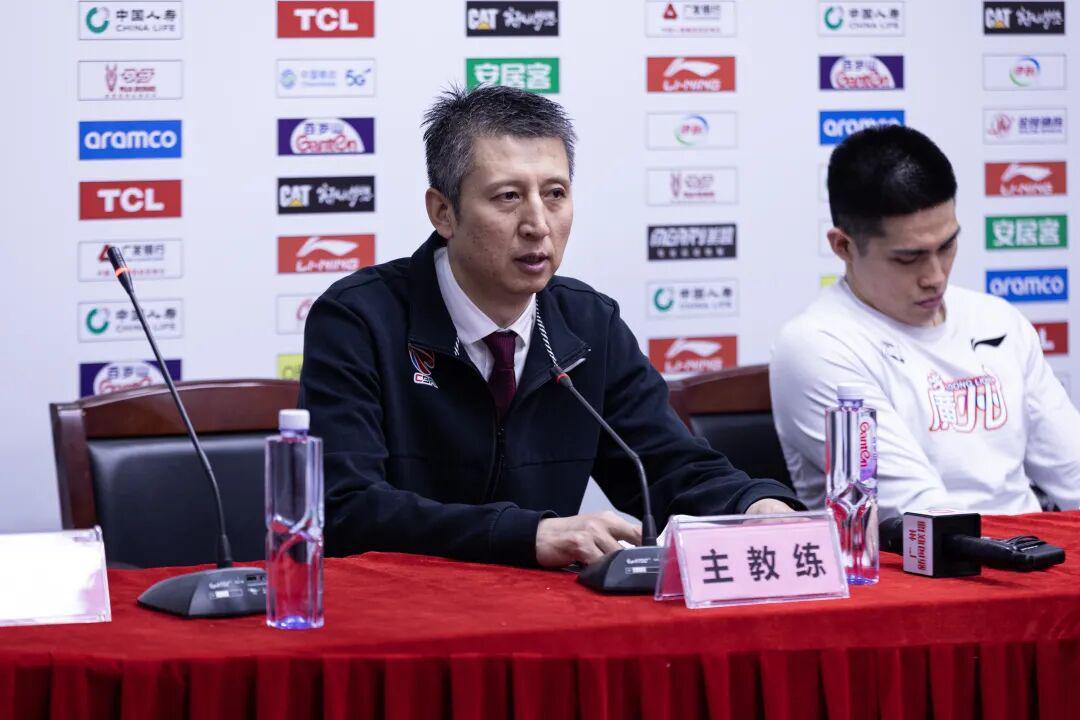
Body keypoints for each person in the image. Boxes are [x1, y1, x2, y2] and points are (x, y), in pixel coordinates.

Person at [299, 85, 801, 569]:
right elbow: (346, 509)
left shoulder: (587, 324)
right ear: (443, 213)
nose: (538, 224)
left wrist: (755, 506)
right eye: (508, 197)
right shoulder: (360, 320)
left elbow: (669, 466)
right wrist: (528, 535)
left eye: (555, 194)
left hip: (543, 611)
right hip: (402, 609)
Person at [770, 124, 1080, 517]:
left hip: (1034, 546)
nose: (935, 276)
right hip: (920, 553)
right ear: (844, 246)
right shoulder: (816, 345)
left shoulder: (997, 318)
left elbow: (1073, 471)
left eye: (947, 246)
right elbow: (923, 516)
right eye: (908, 258)